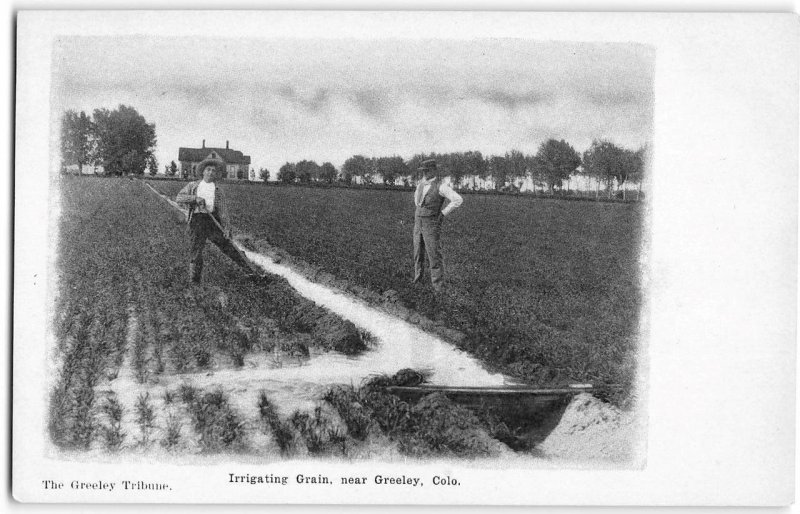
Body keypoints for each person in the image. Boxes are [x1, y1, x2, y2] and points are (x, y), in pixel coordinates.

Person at [175, 159, 257, 283]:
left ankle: (250, 271)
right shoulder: (193, 186)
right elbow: (179, 197)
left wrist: (227, 228)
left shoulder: (218, 191)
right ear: (203, 172)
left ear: (216, 174)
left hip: (213, 221)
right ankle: (195, 281)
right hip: (197, 221)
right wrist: (195, 199)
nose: (211, 172)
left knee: (228, 246)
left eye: (213, 171)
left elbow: (223, 211)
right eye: (208, 170)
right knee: (196, 251)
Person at [412, 159, 463, 292]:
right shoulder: (420, 185)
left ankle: (438, 287)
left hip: (431, 223)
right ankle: (418, 280)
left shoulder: (441, 186)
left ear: (434, 170)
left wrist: (443, 213)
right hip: (418, 221)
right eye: (423, 171)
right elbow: (417, 200)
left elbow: (458, 200)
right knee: (418, 252)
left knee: (433, 254)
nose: (425, 173)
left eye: (427, 170)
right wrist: (420, 211)